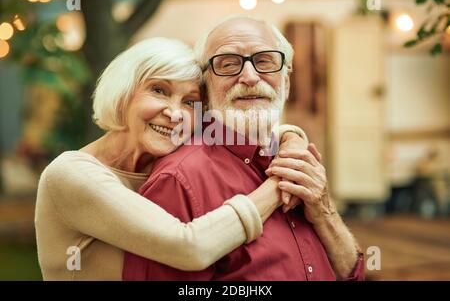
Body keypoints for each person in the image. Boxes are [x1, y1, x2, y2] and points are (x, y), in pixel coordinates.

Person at [35, 37, 308, 280]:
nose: (175, 113)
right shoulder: (71, 174)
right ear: (123, 93)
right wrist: (279, 184)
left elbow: (244, 135)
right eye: (159, 90)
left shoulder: (167, 156)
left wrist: (291, 137)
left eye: (189, 102)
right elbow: (191, 247)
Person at [122, 17, 364, 281]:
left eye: (264, 62)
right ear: (204, 88)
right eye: (228, 64)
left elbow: (353, 273)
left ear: (286, 82)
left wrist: (325, 212)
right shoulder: (179, 181)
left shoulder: (300, 161)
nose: (249, 77)